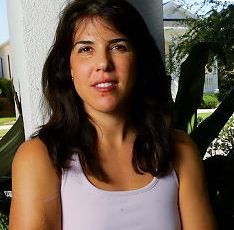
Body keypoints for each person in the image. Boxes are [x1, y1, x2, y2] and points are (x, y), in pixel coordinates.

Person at [9, 0, 216, 229]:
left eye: (118, 46)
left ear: (139, 60)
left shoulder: (181, 151)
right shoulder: (40, 158)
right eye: (86, 49)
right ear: (68, 67)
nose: (103, 64)